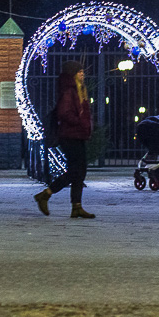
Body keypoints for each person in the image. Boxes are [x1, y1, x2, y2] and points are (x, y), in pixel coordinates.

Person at [33, 60, 95, 219]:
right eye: (79, 72)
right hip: (70, 136)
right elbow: (64, 113)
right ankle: (46, 194)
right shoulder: (69, 92)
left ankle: (77, 206)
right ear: (72, 75)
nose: (82, 74)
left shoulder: (78, 91)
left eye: (82, 71)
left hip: (77, 135)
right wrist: (80, 122)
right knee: (76, 171)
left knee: (80, 172)